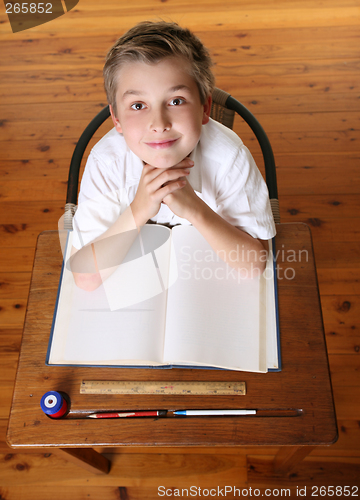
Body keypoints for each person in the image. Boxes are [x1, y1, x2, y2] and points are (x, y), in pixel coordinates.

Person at [70, 20, 276, 291]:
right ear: (116, 119)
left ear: (205, 107)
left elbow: (253, 265)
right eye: (138, 105)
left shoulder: (230, 157)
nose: (159, 123)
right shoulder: (106, 163)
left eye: (176, 101)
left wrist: (195, 210)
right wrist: (139, 208)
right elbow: (85, 278)